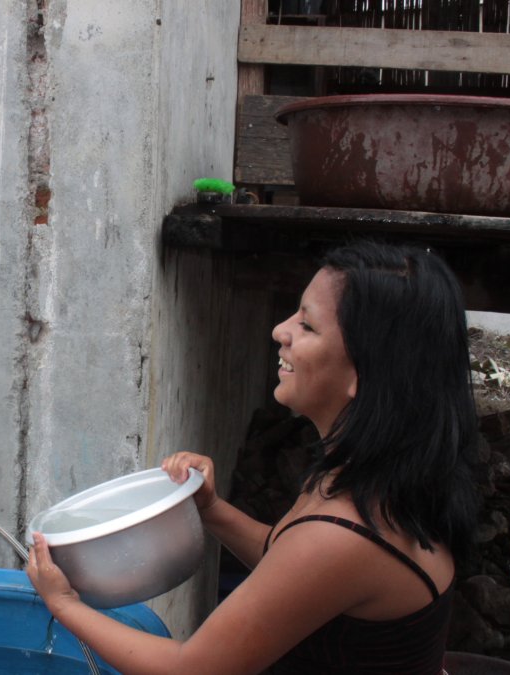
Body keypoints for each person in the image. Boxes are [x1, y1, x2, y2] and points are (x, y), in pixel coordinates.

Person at [27, 240, 480, 674]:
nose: (279, 330)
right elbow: (288, 565)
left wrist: (62, 602)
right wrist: (210, 509)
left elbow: (191, 668)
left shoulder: (346, 531)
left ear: (365, 372)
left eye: (307, 325)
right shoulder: (376, 475)